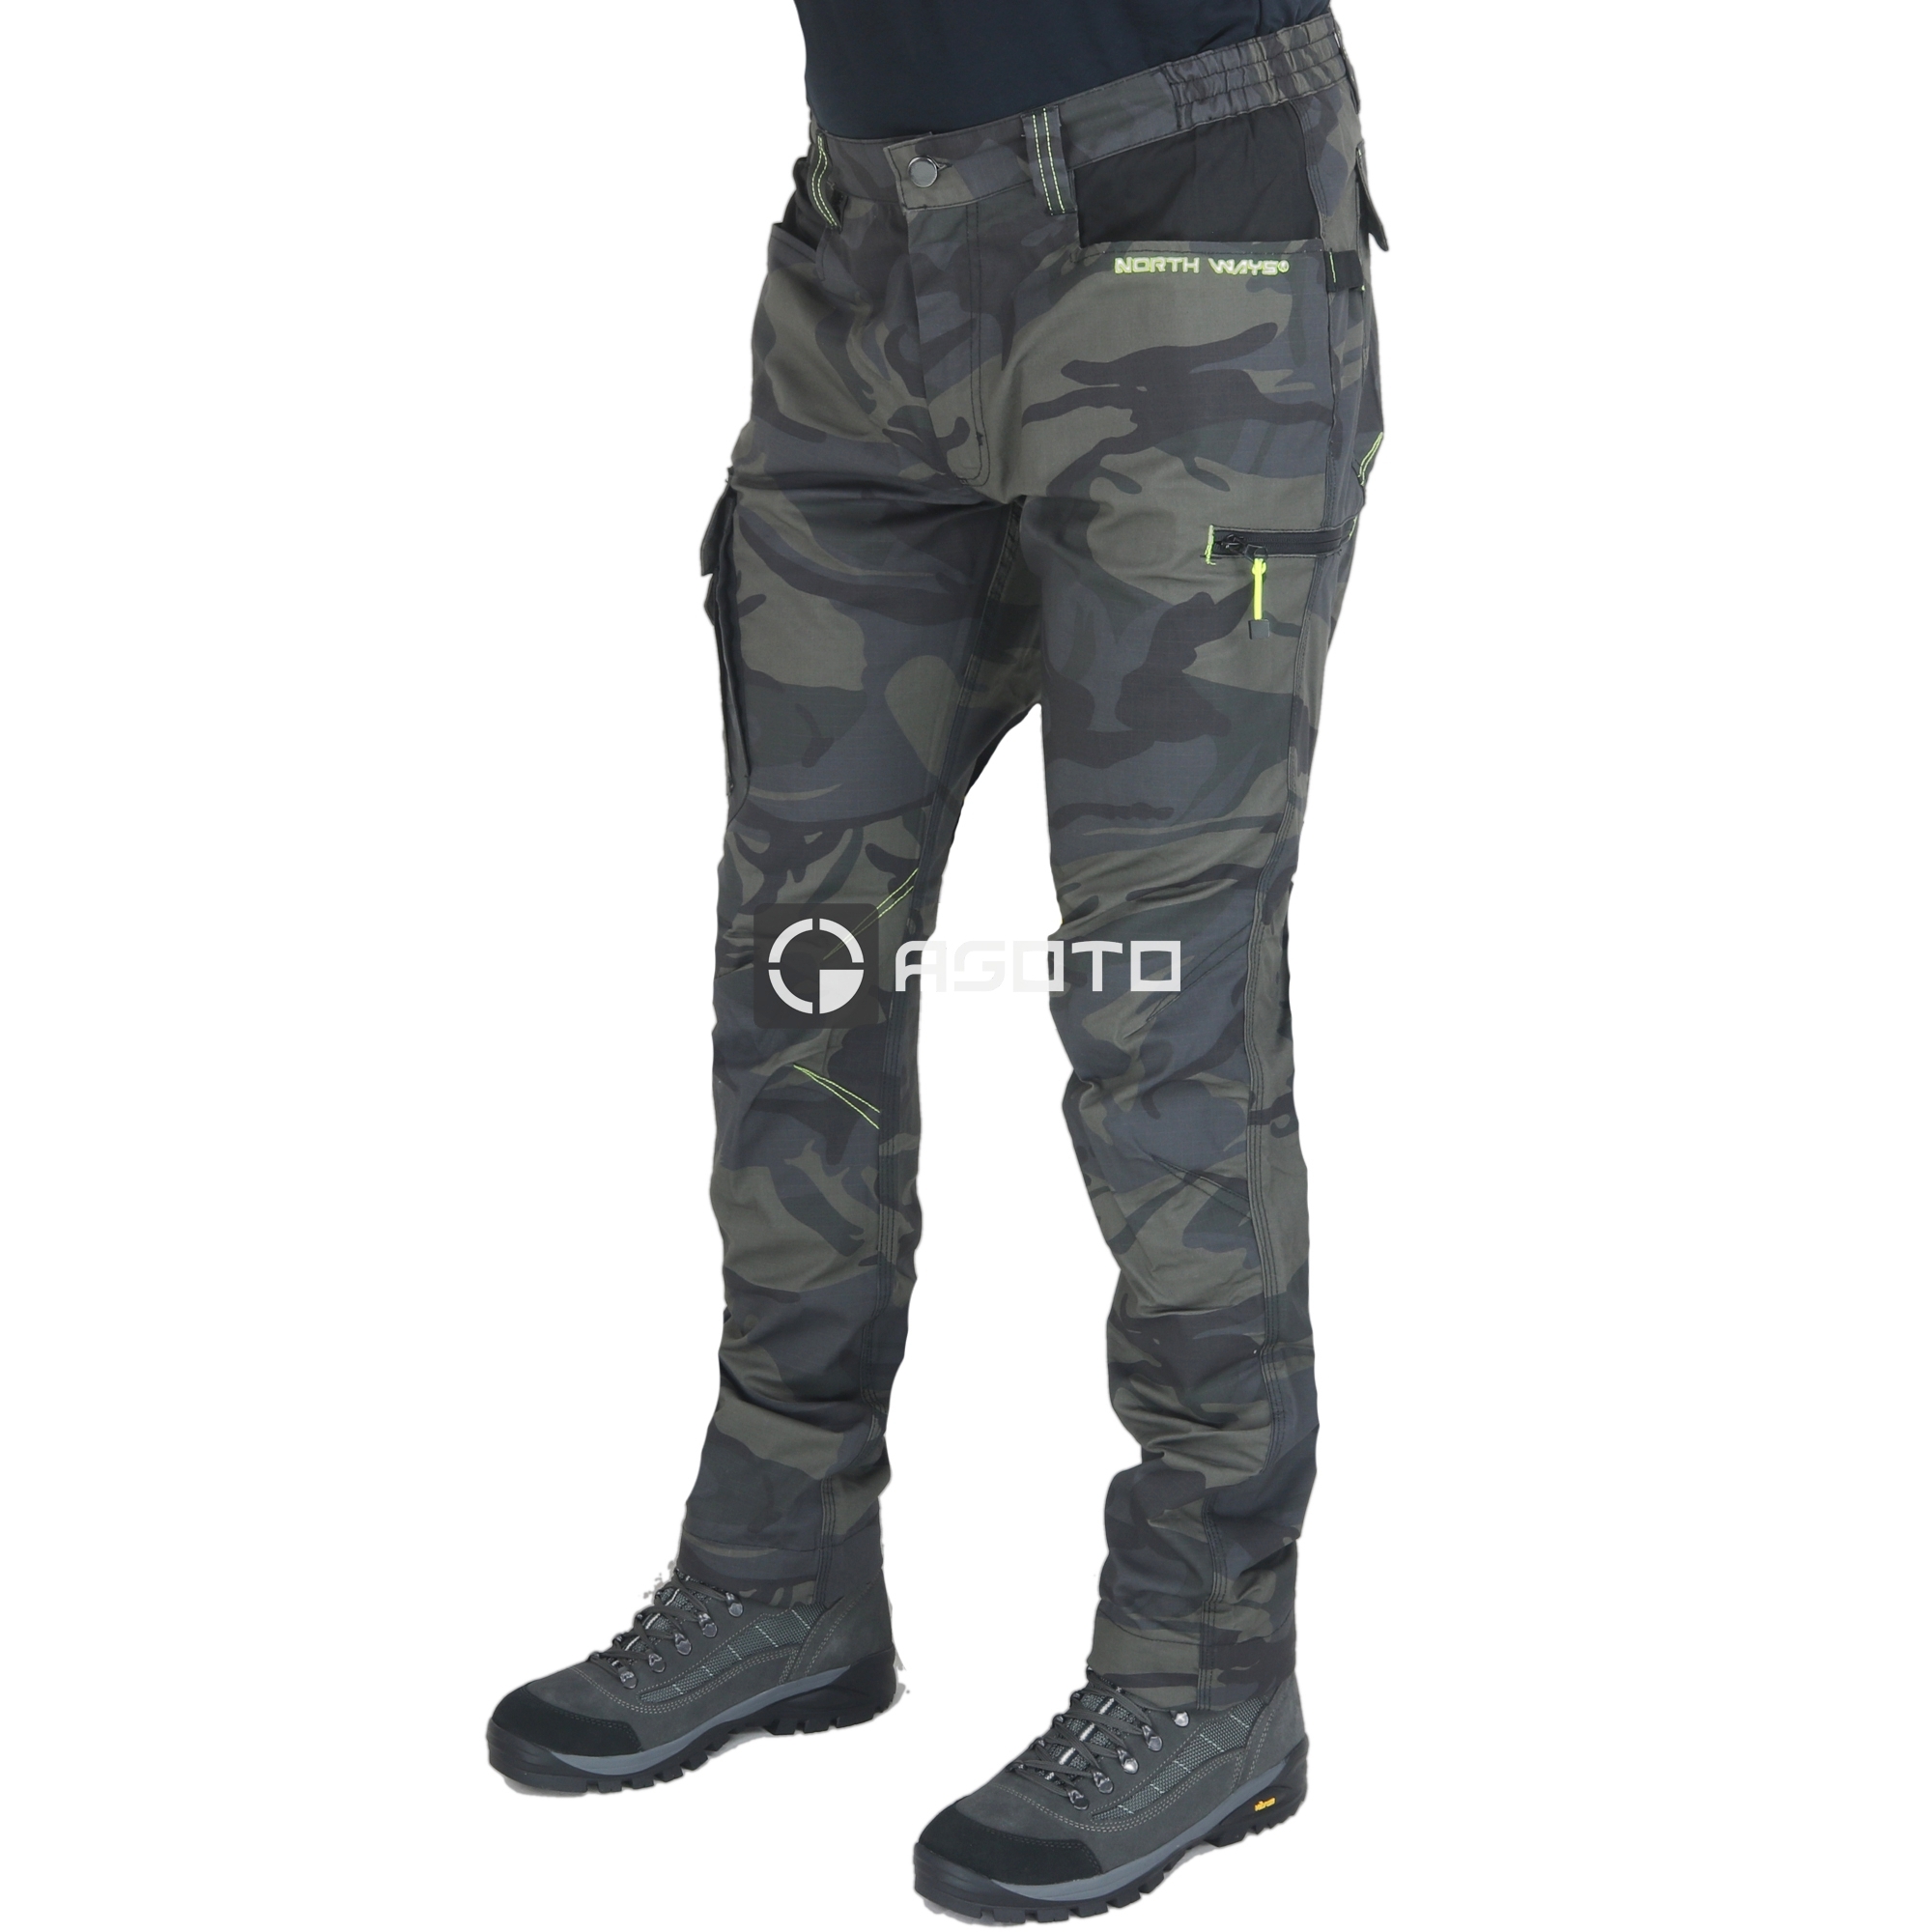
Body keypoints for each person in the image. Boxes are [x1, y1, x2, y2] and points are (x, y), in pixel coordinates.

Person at [488, 1, 1385, 1913]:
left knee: (1157, 1008)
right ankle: (776, 1568)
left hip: (1186, 238)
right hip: (862, 256)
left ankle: (1206, 1664)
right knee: (798, 957)